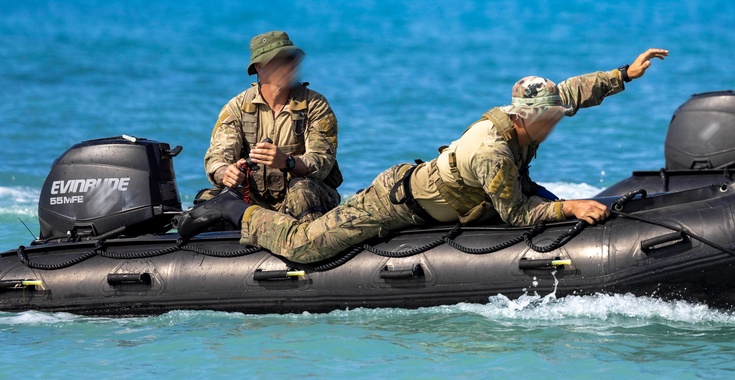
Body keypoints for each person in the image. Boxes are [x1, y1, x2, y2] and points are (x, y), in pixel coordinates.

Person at [181, 49, 669, 258]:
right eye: (552, 119)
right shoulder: (493, 151)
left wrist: (625, 73)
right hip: (393, 200)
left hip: (447, 193)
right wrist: (570, 206)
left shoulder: (530, 111)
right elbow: (517, 214)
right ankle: (235, 213)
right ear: (526, 117)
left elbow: (571, 91)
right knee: (306, 246)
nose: (558, 122)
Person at [200, 30, 342, 219]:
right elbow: (217, 157)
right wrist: (227, 172)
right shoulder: (237, 108)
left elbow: (321, 162)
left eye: (292, 59)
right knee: (209, 201)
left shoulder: (315, 105)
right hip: (257, 198)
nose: (289, 66)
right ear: (260, 67)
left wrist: (287, 162)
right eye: (280, 60)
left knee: (301, 190)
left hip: (308, 196)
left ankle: (312, 243)